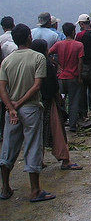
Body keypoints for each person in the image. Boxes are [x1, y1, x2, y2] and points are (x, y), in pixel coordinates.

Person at [0, 23, 55, 202]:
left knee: (9, 146)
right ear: (29, 38)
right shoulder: (38, 58)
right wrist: (21, 103)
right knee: (33, 146)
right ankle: (35, 190)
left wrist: (11, 108)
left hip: (12, 111)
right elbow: (37, 86)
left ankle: (5, 188)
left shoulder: (7, 61)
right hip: (31, 108)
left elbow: (2, 88)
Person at [31, 39, 82, 171]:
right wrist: (58, 98)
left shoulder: (31, 62)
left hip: (34, 101)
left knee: (37, 132)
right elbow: (53, 85)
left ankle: (38, 160)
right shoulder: (46, 64)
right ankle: (65, 159)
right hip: (48, 100)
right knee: (57, 130)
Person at [49, 22, 84, 132]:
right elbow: (80, 62)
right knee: (73, 102)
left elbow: (47, 53)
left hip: (61, 78)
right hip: (73, 77)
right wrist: (79, 76)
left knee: (61, 101)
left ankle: (61, 124)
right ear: (73, 32)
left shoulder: (59, 44)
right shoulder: (79, 45)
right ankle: (72, 125)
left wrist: (56, 64)